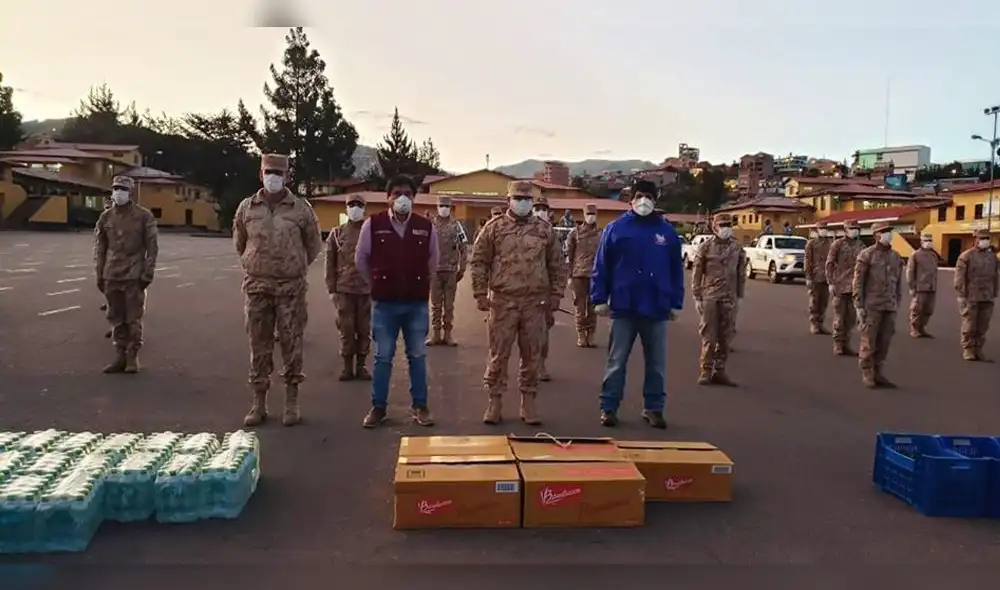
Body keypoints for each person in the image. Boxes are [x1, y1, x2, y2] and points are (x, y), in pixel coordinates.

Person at [234, 153, 322, 427]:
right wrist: (257, 264)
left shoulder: (301, 209)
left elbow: (313, 245)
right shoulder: (247, 208)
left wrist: (292, 266)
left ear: (287, 177)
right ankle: (258, 403)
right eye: (268, 171)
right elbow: (240, 243)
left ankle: (291, 402)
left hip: (290, 289)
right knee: (258, 346)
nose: (273, 177)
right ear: (261, 174)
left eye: (278, 173)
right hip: (257, 287)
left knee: (291, 344)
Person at [591, 180, 683, 428]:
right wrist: (599, 298)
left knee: (656, 363)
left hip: (656, 308)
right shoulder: (616, 229)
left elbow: (676, 269)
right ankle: (608, 407)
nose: (644, 201)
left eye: (649, 196)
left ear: (656, 199)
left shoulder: (667, 232)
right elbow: (602, 265)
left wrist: (676, 302)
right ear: (631, 199)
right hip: (624, 307)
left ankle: (653, 408)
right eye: (640, 196)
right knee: (616, 361)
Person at [471, 181, 563, 425]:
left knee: (532, 354)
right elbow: (479, 260)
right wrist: (480, 293)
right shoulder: (494, 228)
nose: (523, 203)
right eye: (518, 198)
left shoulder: (545, 230)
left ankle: (529, 401)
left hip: (535, 303)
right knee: (499, 354)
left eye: (527, 199)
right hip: (503, 301)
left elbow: (556, 264)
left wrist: (557, 294)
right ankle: (495, 401)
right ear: (508, 200)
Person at [355, 174, 439, 428]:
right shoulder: (373, 224)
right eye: (397, 193)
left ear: (414, 198)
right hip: (385, 305)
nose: (403, 198)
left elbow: (433, 263)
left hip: (416, 304)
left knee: (417, 356)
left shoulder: (426, 227)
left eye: (408, 194)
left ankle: (420, 406)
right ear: (388, 198)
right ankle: (378, 408)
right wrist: (376, 285)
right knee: (383, 357)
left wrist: (420, 285)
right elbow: (361, 260)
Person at [94, 175, 159, 374]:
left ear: (130, 192)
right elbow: (100, 247)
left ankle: (132, 357)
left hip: (134, 274)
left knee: (133, 318)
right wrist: (99, 273)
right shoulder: (106, 217)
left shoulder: (143, 216)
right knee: (116, 318)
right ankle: (119, 356)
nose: (118, 192)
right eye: (115, 188)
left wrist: (148, 274)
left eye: (122, 189)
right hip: (111, 274)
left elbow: (152, 247)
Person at [692, 212, 746, 387]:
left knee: (726, 336)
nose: (726, 228)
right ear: (714, 227)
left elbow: (741, 273)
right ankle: (706, 371)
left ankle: (720, 370)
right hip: (710, 297)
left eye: (728, 224)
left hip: (729, 297)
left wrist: (740, 295)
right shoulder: (706, 247)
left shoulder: (737, 248)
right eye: (722, 225)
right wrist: (697, 296)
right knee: (709, 335)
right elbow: (697, 272)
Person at [325, 194, 372, 381]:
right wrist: (331, 289)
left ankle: (361, 366)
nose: (355, 208)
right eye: (351, 205)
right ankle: (347, 367)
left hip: (366, 290)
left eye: (358, 205)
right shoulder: (336, 234)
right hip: (344, 290)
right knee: (346, 329)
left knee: (364, 329)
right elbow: (330, 264)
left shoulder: (371, 234)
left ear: (364, 208)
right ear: (345, 208)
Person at [853, 222, 904, 388]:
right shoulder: (866, 255)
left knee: (885, 341)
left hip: (889, 305)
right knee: (869, 341)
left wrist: (897, 301)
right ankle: (868, 372)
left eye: (890, 232)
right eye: (885, 232)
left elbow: (898, 283)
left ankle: (878, 371)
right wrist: (859, 306)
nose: (889, 235)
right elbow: (858, 282)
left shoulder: (896, 256)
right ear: (876, 235)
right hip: (872, 305)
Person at [427, 195, 468, 346]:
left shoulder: (456, 226)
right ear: (437, 207)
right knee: (436, 305)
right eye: (441, 206)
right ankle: (436, 334)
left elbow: (464, 247)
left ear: (451, 208)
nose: (444, 209)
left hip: (451, 271)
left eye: (447, 206)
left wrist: (462, 267)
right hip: (434, 271)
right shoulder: (430, 225)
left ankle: (448, 334)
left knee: (449, 306)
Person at [954, 229, 998, 361]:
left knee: (983, 325)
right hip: (971, 296)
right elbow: (959, 277)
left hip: (987, 296)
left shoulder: (992, 257)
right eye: (983, 238)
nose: (986, 241)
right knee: (970, 324)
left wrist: (995, 292)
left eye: (988, 238)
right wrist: (961, 294)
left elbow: (996, 275)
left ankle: (978, 349)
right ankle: (968, 349)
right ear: (976, 240)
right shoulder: (966, 256)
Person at [825, 219, 865, 356]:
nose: (855, 230)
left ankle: (846, 343)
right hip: (840, 286)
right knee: (840, 317)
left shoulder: (861, 245)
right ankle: (838, 344)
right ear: (845, 230)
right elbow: (830, 263)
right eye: (852, 228)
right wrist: (830, 282)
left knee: (851, 318)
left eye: (857, 228)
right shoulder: (838, 244)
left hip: (855, 287)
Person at [566, 203, 601, 347]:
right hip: (578, 275)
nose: (590, 217)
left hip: (595, 275)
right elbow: (569, 255)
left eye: (593, 214)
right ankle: (581, 335)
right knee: (579, 308)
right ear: (584, 215)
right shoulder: (575, 233)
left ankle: (591, 335)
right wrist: (569, 276)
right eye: (588, 214)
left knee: (593, 308)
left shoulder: (601, 233)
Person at [532, 196, 556, 381]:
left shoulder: (550, 233)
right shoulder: (518, 229)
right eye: (536, 207)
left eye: (543, 208)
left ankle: (540, 365)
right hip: (515, 293)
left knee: (542, 332)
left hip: (541, 293)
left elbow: (557, 266)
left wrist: (556, 293)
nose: (539, 211)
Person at [906, 232, 939, 338]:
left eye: (930, 240)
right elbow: (910, 271)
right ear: (921, 242)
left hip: (931, 286)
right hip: (920, 287)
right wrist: (911, 286)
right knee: (917, 309)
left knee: (929, 309)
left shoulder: (933, 255)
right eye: (926, 240)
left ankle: (922, 327)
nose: (928, 243)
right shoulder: (915, 255)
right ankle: (914, 328)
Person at [804, 220, 834, 334]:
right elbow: (808, 260)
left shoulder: (831, 243)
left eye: (825, 228)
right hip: (815, 276)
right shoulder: (811, 244)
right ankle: (814, 324)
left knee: (824, 302)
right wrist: (808, 277)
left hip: (827, 277)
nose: (824, 231)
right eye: (822, 229)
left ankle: (820, 324)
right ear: (817, 231)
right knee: (815, 301)